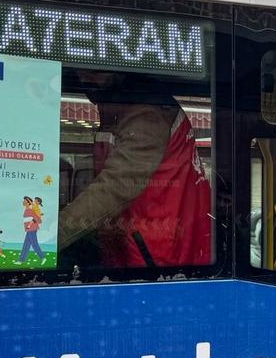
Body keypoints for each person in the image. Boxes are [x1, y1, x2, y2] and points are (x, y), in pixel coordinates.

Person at [59, 72, 212, 268]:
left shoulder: (146, 116)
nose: (84, 79)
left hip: (157, 256)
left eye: (93, 71)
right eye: (80, 72)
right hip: (143, 246)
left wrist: (50, 237)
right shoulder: (123, 107)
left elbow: (114, 188)